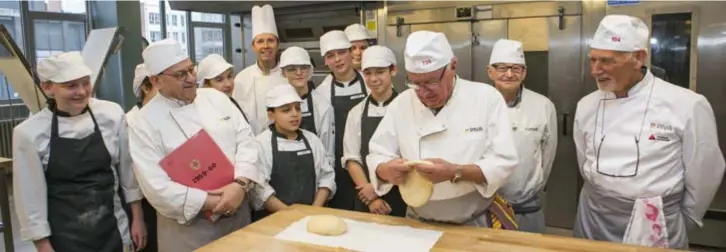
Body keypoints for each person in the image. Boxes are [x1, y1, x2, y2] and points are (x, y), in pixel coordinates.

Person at [573, 15, 725, 249]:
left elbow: (705, 171)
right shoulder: (586, 105)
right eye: (592, 59)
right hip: (593, 215)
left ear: (638, 58)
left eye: (606, 61)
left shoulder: (686, 104)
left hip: (654, 221)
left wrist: (681, 217)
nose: (596, 70)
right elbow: (583, 157)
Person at [366, 31, 520, 229]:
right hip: (418, 222)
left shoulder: (486, 98)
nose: (423, 92)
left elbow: (504, 161)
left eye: (431, 81)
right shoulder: (401, 104)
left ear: (452, 66)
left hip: (474, 221)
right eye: (415, 83)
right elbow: (378, 152)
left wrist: (456, 172)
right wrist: (384, 170)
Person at [128, 39, 263, 251]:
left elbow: (247, 142)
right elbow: (156, 187)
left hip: (239, 215)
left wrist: (240, 186)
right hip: (189, 232)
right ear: (156, 81)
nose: (191, 79)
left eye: (191, 69)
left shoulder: (217, 98)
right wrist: (216, 202)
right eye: (180, 75)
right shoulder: (141, 122)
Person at [12, 51, 146, 252]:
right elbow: (30, 198)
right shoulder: (29, 133)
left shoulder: (111, 114)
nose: (82, 92)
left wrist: (138, 218)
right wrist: (42, 245)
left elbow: (128, 172)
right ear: (48, 88)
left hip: (113, 228)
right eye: (71, 86)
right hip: (64, 237)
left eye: (86, 83)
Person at [487, 39, 558, 233]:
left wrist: (533, 186)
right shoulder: (478, 105)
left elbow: (547, 157)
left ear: (524, 72)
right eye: (502, 68)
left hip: (528, 207)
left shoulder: (543, 106)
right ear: (490, 71)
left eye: (516, 68)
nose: (509, 74)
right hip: (485, 206)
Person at [251, 84, 336, 220]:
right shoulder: (261, 143)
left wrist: (313, 211)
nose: (295, 114)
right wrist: (292, 215)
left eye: (297, 108)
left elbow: (326, 178)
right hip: (272, 220)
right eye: (286, 110)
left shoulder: (312, 140)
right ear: (271, 115)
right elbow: (260, 190)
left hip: (310, 217)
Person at [342, 45, 406, 216]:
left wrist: (377, 186)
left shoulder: (408, 108)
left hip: (404, 194)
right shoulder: (356, 113)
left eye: (380, 72)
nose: (374, 79)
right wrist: (371, 197)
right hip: (367, 197)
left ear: (393, 70)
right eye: (368, 73)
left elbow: (411, 155)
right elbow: (351, 159)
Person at [313, 30, 368, 211]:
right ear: (325, 61)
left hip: (370, 163)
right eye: (330, 55)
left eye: (341, 52)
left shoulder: (371, 84)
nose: (337, 59)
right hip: (338, 168)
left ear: (351, 53)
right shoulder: (320, 94)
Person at [233, 4, 287, 135]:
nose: (266, 46)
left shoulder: (287, 76)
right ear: (253, 46)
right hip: (251, 143)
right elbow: (236, 118)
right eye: (260, 41)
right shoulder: (241, 78)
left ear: (278, 44)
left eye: (270, 40)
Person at [279, 46, 334, 165]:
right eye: (292, 69)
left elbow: (327, 152)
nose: (299, 73)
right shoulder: (276, 104)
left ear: (310, 70)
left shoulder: (322, 105)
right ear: (283, 72)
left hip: (314, 170)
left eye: (304, 67)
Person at [127, 63, 158, 252]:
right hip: (144, 204)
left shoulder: (164, 116)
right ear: (146, 88)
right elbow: (130, 176)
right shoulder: (130, 122)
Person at [198, 53, 250, 123]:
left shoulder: (232, 102)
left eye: (229, 76)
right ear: (206, 85)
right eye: (219, 80)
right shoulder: (203, 113)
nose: (228, 84)